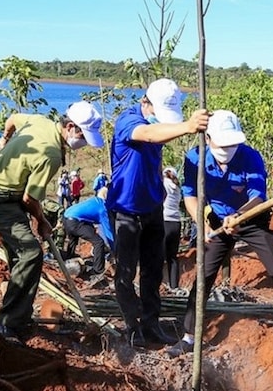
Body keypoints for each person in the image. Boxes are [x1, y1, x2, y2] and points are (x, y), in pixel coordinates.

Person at [167, 110, 273, 358]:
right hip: (215, 219)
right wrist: (203, 223)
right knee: (203, 276)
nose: (227, 149)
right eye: (222, 144)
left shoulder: (250, 157)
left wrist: (239, 216)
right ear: (208, 139)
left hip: (252, 218)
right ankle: (189, 336)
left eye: (232, 144)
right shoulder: (195, 158)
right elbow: (190, 195)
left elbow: (257, 196)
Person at [0, 100, 104, 343]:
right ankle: (7, 324)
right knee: (31, 253)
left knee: (20, 257)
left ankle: (19, 316)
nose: (83, 142)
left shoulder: (40, 121)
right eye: (82, 135)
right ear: (69, 126)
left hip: (9, 196)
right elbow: (30, 198)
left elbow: (13, 118)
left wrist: (5, 138)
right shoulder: (51, 154)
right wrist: (42, 221)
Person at [106, 78, 209, 348]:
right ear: (144, 102)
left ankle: (152, 325)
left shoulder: (158, 124)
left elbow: (155, 143)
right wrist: (187, 127)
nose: (160, 121)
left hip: (153, 208)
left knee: (153, 271)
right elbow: (147, 134)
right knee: (126, 273)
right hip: (126, 211)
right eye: (157, 114)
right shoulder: (127, 120)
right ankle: (132, 326)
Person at [63, 189, 113, 283]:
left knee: (73, 240)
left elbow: (88, 217)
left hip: (66, 216)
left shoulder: (94, 200)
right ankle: (98, 271)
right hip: (75, 222)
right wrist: (114, 249)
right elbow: (107, 231)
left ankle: (68, 262)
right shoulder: (102, 209)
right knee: (99, 242)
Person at [162, 166, 182, 290]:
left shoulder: (163, 184)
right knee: (172, 257)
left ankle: (156, 285)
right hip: (176, 222)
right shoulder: (178, 189)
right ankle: (174, 286)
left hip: (164, 221)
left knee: (158, 255)